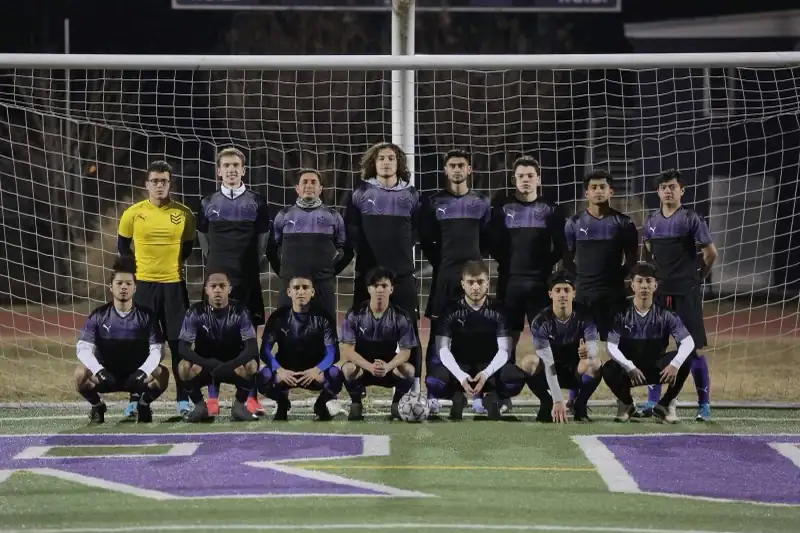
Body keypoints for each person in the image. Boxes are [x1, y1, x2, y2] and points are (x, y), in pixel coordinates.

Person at [117, 160, 199, 418]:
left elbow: (186, 249)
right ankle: (136, 398)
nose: (159, 185)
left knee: (178, 345)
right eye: (155, 181)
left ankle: (183, 399)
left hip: (174, 287)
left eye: (164, 181)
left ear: (169, 184)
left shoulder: (184, 214)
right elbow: (123, 248)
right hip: (144, 288)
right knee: (140, 345)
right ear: (147, 185)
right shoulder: (132, 214)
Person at [640, 169, 717, 421]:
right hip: (660, 295)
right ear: (657, 192)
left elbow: (710, 254)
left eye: (673, 186)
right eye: (664, 187)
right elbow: (649, 254)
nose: (668, 190)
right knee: (654, 348)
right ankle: (655, 402)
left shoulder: (691, 219)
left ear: (681, 190)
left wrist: (697, 278)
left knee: (691, 349)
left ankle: (703, 405)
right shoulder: (651, 222)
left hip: (685, 293)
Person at [418, 149, 491, 413]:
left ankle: (478, 395)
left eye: (461, 165)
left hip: (474, 279)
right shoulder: (434, 203)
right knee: (439, 336)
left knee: (478, 335)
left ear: (469, 170)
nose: (457, 169)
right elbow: (426, 240)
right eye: (452, 165)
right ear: (446, 171)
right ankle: (434, 393)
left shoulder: (482, 202)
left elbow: (486, 238)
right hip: (445, 278)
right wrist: (444, 264)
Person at [344, 142, 422, 387]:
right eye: (381, 158)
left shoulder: (411, 195)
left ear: (399, 162)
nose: (386, 162)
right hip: (368, 275)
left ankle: (413, 388)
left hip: (403, 275)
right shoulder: (359, 193)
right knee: (361, 330)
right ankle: (359, 390)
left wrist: (398, 252)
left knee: (411, 331)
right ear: (373, 163)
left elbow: (417, 230)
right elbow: (351, 231)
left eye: (391, 158)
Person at [74, 256, 169, 424]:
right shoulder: (98, 316)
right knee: (80, 374)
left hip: (137, 375)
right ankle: (98, 406)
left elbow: (158, 350)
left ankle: (143, 404)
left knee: (163, 374)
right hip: (106, 375)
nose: (123, 287)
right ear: (111, 287)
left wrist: (143, 371)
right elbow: (83, 348)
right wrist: (98, 371)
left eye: (128, 284)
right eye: (119, 283)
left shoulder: (147, 316)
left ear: (135, 288)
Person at [425, 260, 524, 421]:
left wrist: (485, 374)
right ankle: (457, 396)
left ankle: (493, 397)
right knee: (434, 380)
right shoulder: (450, 310)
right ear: (463, 284)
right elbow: (443, 349)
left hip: (488, 370)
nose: (476, 287)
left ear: (488, 283)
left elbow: (504, 351)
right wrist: (461, 377)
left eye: (480, 282)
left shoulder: (499, 310)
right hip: (460, 369)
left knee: (514, 379)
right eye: (471, 282)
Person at [490, 155, 566, 362]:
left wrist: (545, 265)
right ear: (514, 180)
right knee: (506, 341)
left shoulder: (551, 210)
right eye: (521, 176)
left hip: (540, 284)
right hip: (509, 283)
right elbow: (491, 244)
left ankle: (549, 388)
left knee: (544, 342)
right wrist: (507, 262)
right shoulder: (502, 209)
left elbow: (562, 247)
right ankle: (504, 389)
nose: (526, 180)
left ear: (538, 180)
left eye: (530, 176)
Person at [601, 263, 697, 424]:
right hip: (630, 371)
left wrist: (675, 364)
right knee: (608, 369)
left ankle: (664, 405)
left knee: (687, 359)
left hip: (656, 368)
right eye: (639, 281)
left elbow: (688, 342)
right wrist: (629, 366)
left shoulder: (666, 314)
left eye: (648, 281)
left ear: (655, 285)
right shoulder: (621, 314)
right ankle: (627, 404)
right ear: (632, 285)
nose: (644, 286)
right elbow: (611, 345)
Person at [196, 146, 271, 327]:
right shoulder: (207, 202)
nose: (231, 169)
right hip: (217, 270)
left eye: (236, 165)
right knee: (212, 325)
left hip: (246, 273)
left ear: (243, 170)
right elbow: (203, 237)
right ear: (219, 171)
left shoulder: (257, 201)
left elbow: (263, 240)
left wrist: (252, 261)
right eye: (227, 165)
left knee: (248, 327)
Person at [564, 169, 639, 339]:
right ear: (586, 193)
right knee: (584, 346)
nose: (598, 191)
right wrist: (582, 279)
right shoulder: (574, 223)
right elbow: (567, 260)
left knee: (616, 345)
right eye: (594, 187)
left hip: (613, 294)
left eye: (602, 187)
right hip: (584, 295)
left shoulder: (624, 223)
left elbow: (631, 259)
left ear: (610, 191)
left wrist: (616, 278)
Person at [256, 275, 344, 421]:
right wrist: (279, 370)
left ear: (312, 292)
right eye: (296, 288)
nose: (301, 292)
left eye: (305, 288)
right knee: (263, 377)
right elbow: (265, 350)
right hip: (286, 371)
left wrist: (317, 370)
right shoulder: (278, 317)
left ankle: (321, 404)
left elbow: (333, 354)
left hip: (314, 372)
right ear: (289, 292)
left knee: (336, 375)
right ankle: (282, 403)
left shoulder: (323, 318)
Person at [176, 271, 259, 422]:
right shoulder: (196, 311)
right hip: (205, 365)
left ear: (229, 289)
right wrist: (206, 363)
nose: (218, 290)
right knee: (183, 367)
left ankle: (239, 407)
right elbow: (182, 348)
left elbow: (252, 348)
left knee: (252, 365)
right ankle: (200, 406)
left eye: (222, 286)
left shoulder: (240, 311)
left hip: (232, 366)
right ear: (206, 289)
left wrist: (230, 365)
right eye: (213, 286)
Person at [521, 271, 602, 423]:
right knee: (528, 363)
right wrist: (557, 400)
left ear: (574, 293)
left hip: (575, 371)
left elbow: (594, 346)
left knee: (595, 363)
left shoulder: (585, 315)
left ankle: (580, 405)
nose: (562, 295)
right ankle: (546, 403)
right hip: (550, 370)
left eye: (567, 290)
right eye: (558, 290)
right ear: (550, 294)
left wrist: (588, 351)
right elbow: (548, 363)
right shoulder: (540, 322)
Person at [269, 169, 350, 319]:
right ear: (297, 189)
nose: (309, 185)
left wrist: (330, 272)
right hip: (290, 284)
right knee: (287, 331)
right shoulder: (283, 215)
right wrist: (284, 273)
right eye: (304, 182)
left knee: (325, 332)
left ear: (320, 189)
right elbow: (271, 249)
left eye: (313, 182)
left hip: (322, 285)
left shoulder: (333, 216)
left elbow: (346, 251)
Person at [339, 267, 417, 421]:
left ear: (391, 289)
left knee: (409, 370)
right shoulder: (355, 314)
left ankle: (396, 404)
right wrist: (370, 367)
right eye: (375, 286)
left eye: (384, 286)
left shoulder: (401, 316)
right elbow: (348, 350)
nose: (380, 289)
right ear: (369, 289)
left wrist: (388, 367)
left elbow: (405, 352)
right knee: (347, 368)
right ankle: (356, 403)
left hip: (387, 367)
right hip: (363, 367)